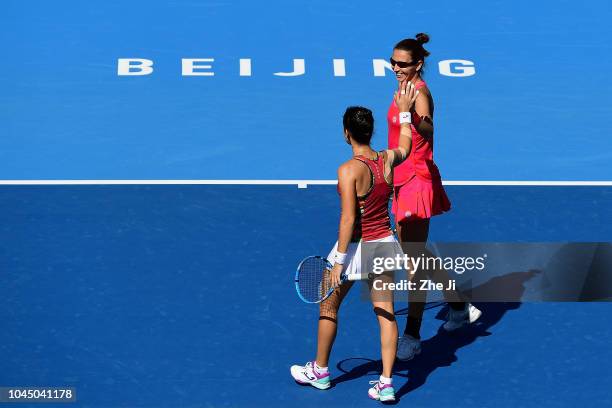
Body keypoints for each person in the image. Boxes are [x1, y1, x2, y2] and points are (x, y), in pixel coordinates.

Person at [291, 82, 419, 402]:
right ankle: (387, 383)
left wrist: (338, 262)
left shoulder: (348, 170)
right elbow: (405, 144)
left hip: (356, 249)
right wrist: (405, 112)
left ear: (347, 133)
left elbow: (348, 219)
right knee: (386, 312)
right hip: (385, 245)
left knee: (329, 304)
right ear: (370, 131)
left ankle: (320, 371)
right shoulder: (388, 159)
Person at [387, 33, 482, 361]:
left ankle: (412, 334)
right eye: (393, 63)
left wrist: (407, 115)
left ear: (418, 64)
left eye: (402, 64)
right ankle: (458, 305)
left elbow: (427, 128)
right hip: (401, 179)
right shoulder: (403, 88)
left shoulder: (420, 95)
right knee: (415, 253)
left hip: (417, 180)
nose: (396, 68)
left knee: (413, 263)